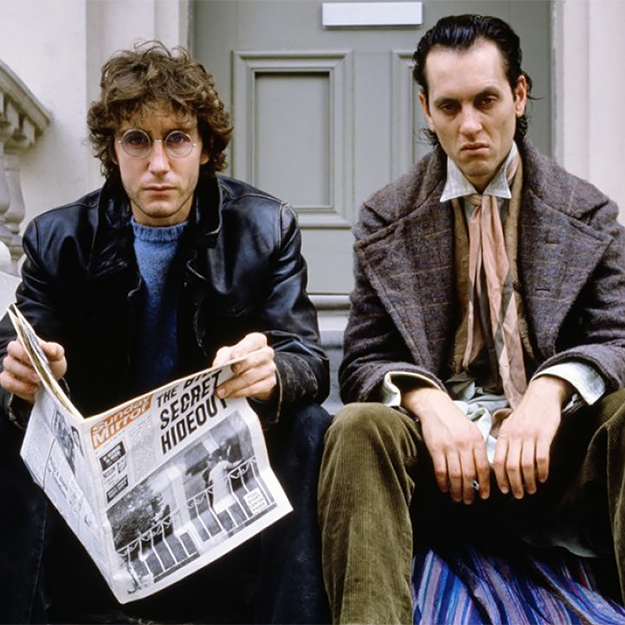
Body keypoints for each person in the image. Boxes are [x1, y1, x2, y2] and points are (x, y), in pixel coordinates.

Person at [0, 41, 331, 624]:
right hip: (101, 485)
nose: (158, 163)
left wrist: (271, 372)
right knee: (9, 418)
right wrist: (26, 373)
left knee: (310, 426)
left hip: (213, 482)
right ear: (113, 150)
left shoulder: (264, 226)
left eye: (177, 139)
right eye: (137, 140)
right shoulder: (59, 239)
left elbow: (307, 356)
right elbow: (13, 342)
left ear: (204, 148)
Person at [318, 14, 625, 624]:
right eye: (449, 106)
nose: (470, 126)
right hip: (440, 468)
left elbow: (616, 336)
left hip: (553, 460)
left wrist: (549, 392)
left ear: (519, 95)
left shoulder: (588, 212)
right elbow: (362, 361)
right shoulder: (386, 217)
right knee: (356, 427)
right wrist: (430, 406)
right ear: (426, 109)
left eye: (486, 100)